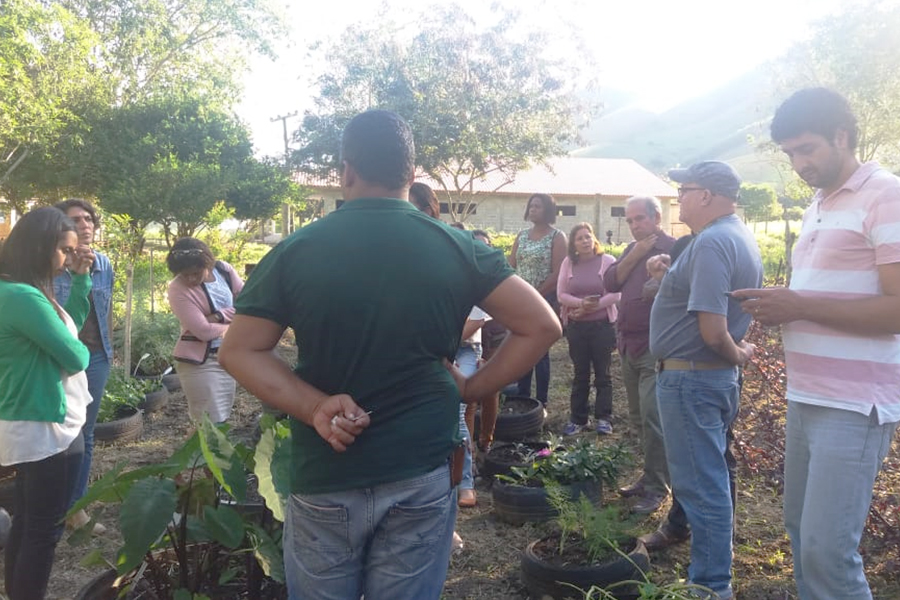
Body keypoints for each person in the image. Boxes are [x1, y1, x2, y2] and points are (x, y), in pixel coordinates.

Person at [218, 109, 561, 600]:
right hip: (420, 469)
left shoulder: (296, 250)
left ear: (347, 171)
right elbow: (543, 326)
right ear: (411, 174)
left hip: (326, 472)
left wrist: (315, 406)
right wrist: (472, 386)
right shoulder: (458, 247)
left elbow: (240, 350)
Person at [736, 87, 900, 600]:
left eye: (807, 149)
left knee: (829, 554)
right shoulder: (818, 203)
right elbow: (824, 296)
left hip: (855, 404)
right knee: (803, 540)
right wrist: (779, 310)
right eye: (789, 154)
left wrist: (800, 306)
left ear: (842, 136)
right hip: (806, 396)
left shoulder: (885, 194)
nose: (798, 163)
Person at [649, 160, 762, 599]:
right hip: (702, 378)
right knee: (707, 481)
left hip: (692, 381)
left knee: (703, 488)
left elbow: (714, 331)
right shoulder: (731, 236)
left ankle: (711, 587)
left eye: (683, 190)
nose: (678, 198)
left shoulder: (713, 242)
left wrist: (739, 354)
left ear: (706, 196)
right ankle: (711, 580)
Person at [0, 207, 94, 600]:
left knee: (26, 520)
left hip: (29, 419)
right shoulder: (23, 297)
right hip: (47, 424)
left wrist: (82, 282)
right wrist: (77, 350)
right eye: (63, 250)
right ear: (39, 247)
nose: (67, 260)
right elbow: (76, 356)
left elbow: (67, 325)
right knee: (43, 529)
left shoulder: (19, 291)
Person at [603, 196, 676, 515]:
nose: (634, 225)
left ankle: (659, 488)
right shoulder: (633, 251)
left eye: (640, 219)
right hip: (627, 343)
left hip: (655, 346)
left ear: (657, 217)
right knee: (637, 418)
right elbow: (610, 281)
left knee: (653, 417)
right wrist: (636, 254)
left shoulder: (675, 248)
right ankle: (648, 478)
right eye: (630, 220)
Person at [52, 198, 114, 533]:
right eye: (75, 218)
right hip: (61, 359)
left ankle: (77, 507)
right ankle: (54, 509)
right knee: (59, 434)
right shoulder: (52, 266)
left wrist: (109, 351)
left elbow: (105, 313)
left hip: (96, 358)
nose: (84, 223)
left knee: (86, 434)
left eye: (89, 218)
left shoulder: (104, 263)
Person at [166, 238, 244, 423]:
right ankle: (197, 452)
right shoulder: (177, 289)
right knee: (209, 422)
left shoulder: (224, 271)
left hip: (228, 356)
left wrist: (218, 316)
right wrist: (237, 325)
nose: (191, 279)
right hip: (200, 363)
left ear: (207, 263)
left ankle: (199, 452)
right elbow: (203, 331)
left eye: (195, 272)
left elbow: (247, 302)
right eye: (185, 275)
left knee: (220, 419)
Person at [557, 222, 619, 435]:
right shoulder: (568, 263)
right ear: (574, 244)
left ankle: (604, 418)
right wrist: (580, 305)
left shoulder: (608, 261)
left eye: (588, 236)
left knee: (604, 374)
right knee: (580, 374)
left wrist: (592, 307)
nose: (585, 241)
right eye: (580, 238)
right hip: (577, 328)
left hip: (603, 327)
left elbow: (616, 293)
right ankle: (578, 418)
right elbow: (562, 294)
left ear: (594, 239)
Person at [508, 193, 567, 406]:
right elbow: (511, 266)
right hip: (520, 300)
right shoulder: (522, 236)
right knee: (521, 346)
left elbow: (558, 272)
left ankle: (541, 401)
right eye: (531, 206)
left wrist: (536, 295)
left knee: (540, 350)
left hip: (544, 299)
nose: (533, 209)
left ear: (548, 211)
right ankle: (522, 395)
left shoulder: (557, 237)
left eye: (538, 206)